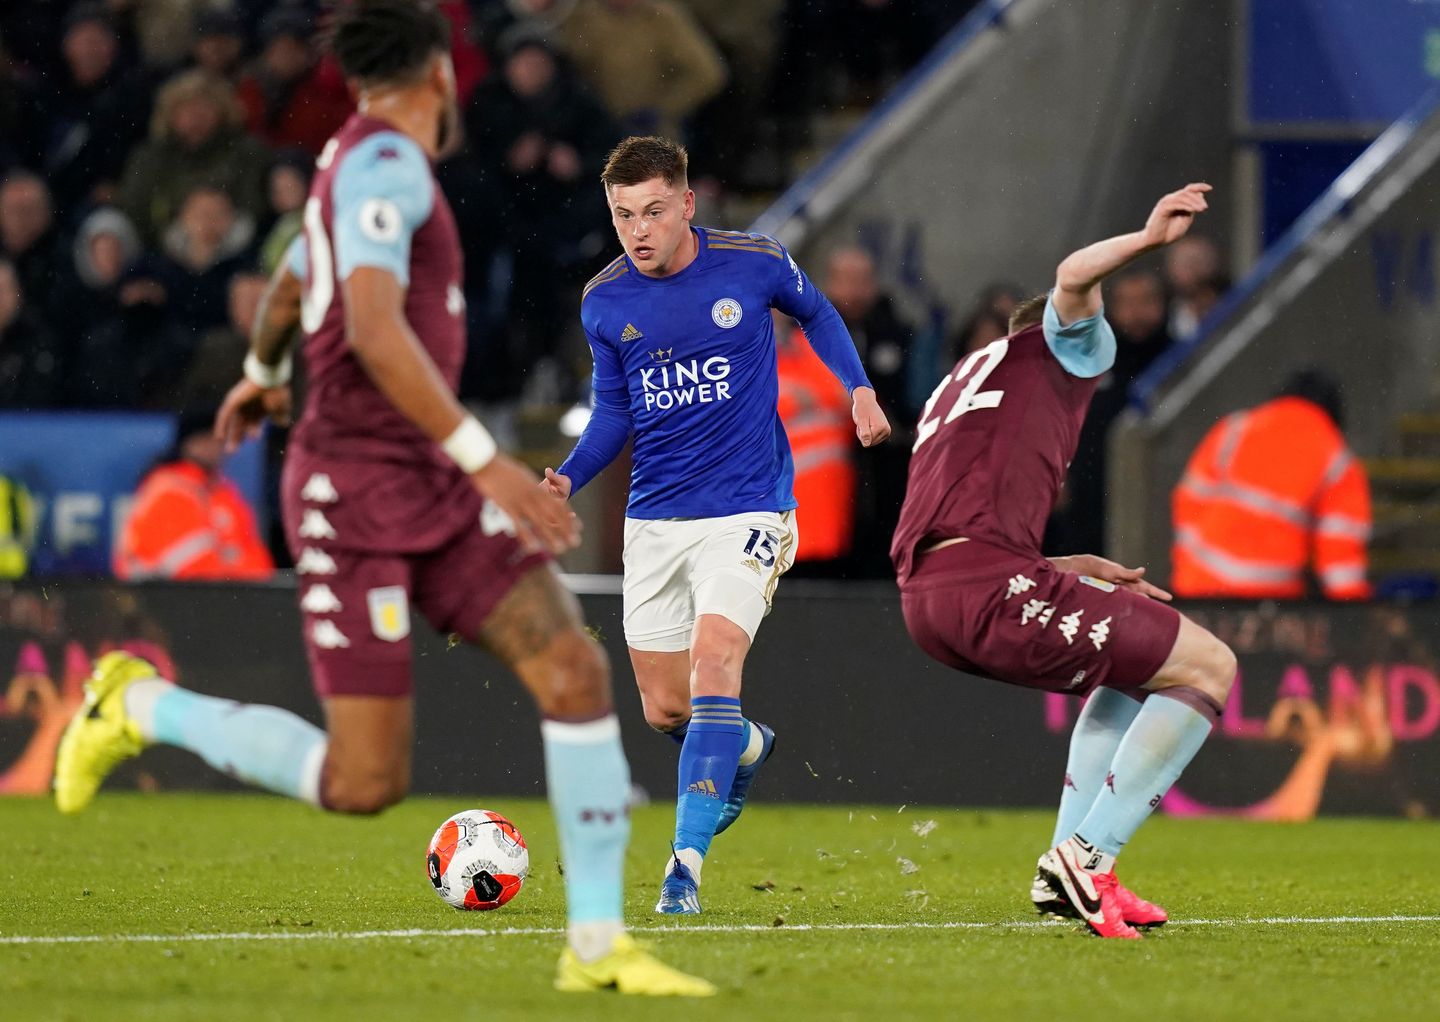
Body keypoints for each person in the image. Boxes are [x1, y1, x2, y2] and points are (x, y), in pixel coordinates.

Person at [53, 1, 712, 999]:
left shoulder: (343, 163)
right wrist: (483, 455)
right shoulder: (388, 166)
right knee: (364, 784)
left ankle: (596, 946)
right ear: (440, 77)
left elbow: (289, 280)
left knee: (570, 666)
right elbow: (367, 323)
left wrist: (265, 364)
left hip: (427, 486)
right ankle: (135, 702)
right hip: (356, 489)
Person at [543, 135, 890, 913]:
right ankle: (747, 743)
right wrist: (566, 476)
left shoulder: (753, 260)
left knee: (713, 665)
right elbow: (614, 414)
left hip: (749, 507)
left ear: (688, 205)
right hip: (655, 523)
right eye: (624, 214)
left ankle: (683, 871)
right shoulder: (605, 302)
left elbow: (819, 310)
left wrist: (859, 389)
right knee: (666, 708)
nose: (639, 230)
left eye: (655, 211)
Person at [892, 184, 1238, 939]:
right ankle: (1087, 856)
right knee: (1210, 667)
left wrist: (1062, 562)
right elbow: (1074, 276)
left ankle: (1071, 870)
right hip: (986, 586)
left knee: (1133, 669)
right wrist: (1148, 239)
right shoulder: (1057, 347)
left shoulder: (963, 384)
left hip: (933, 594)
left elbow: (957, 514)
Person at [1172, 370, 1372, 600]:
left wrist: (1187, 570)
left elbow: (1188, 502)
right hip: (1270, 602)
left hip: (1199, 591)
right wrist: (1355, 614)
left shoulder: (1234, 429)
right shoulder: (1336, 458)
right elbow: (1340, 557)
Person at [114, 414, 275, 581]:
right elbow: (193, 568)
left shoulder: (223, 493)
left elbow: (259, 561)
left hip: (220, 598)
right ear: (189, 444)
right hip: (158, 600)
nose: (217, 447)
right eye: (208, 439)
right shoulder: (168, 490)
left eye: (221, 440)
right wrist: (240, 568)